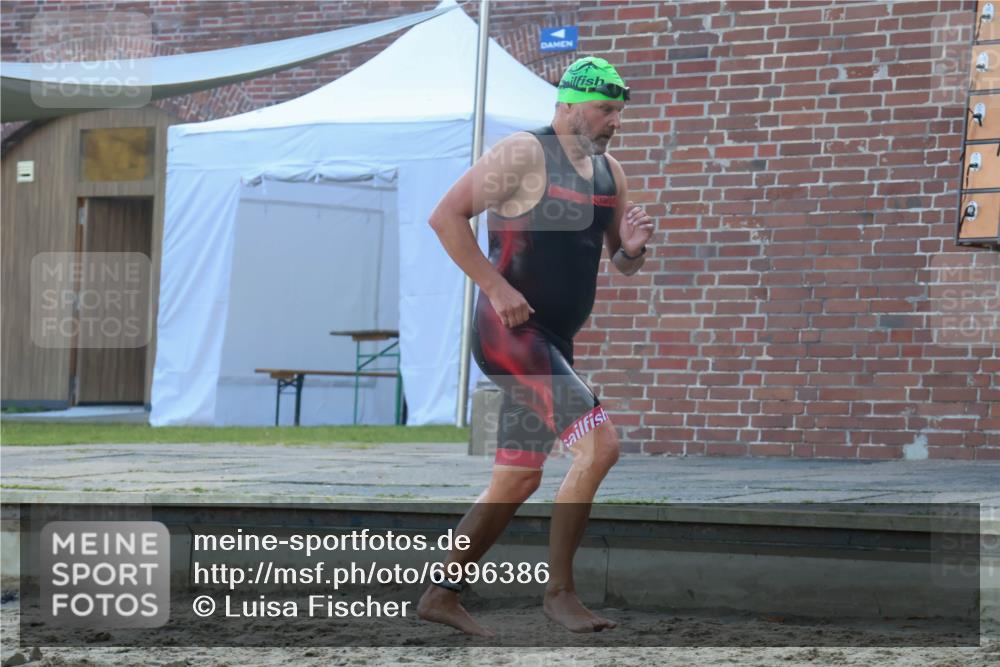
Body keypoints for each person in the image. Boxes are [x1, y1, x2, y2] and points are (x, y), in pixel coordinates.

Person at [418, 56, 654, 636]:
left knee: (517, 478)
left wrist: (632, 249)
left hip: (554, 344)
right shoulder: (525, 152)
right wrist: (495, 287)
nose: (615, 122)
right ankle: (559, 594)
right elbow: (445, 216)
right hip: (510, 336)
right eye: (604, 109)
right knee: (599, 448)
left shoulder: (610, 174)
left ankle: (441, 594)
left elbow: (619, 263)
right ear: (568, 104)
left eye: (619, 112)